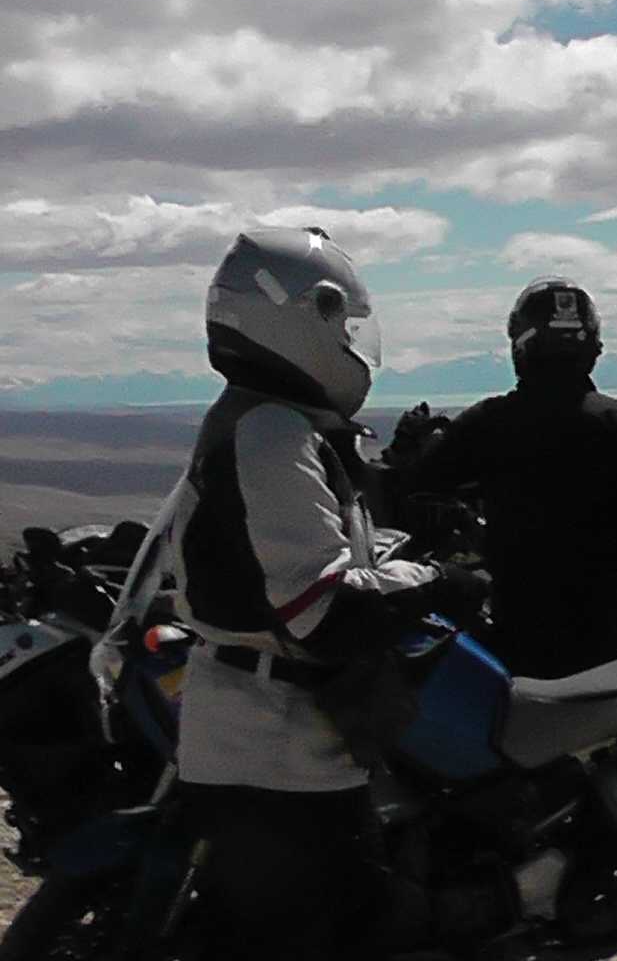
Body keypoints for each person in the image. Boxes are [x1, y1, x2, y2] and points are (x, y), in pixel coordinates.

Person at [163, 228, 487, 961]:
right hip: (276, 753)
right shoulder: (271, 433)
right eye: (343, 326)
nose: (353, 345)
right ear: (306, 317)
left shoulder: (260, 421)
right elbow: (324, 611)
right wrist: (442, 583)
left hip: (263, 741)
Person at [392, 277, 617, 679]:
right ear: (591, 346)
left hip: (515, 616)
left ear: (521, 345)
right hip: (598, 620)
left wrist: (474, 531)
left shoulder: (488, 422)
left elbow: (418, 490)